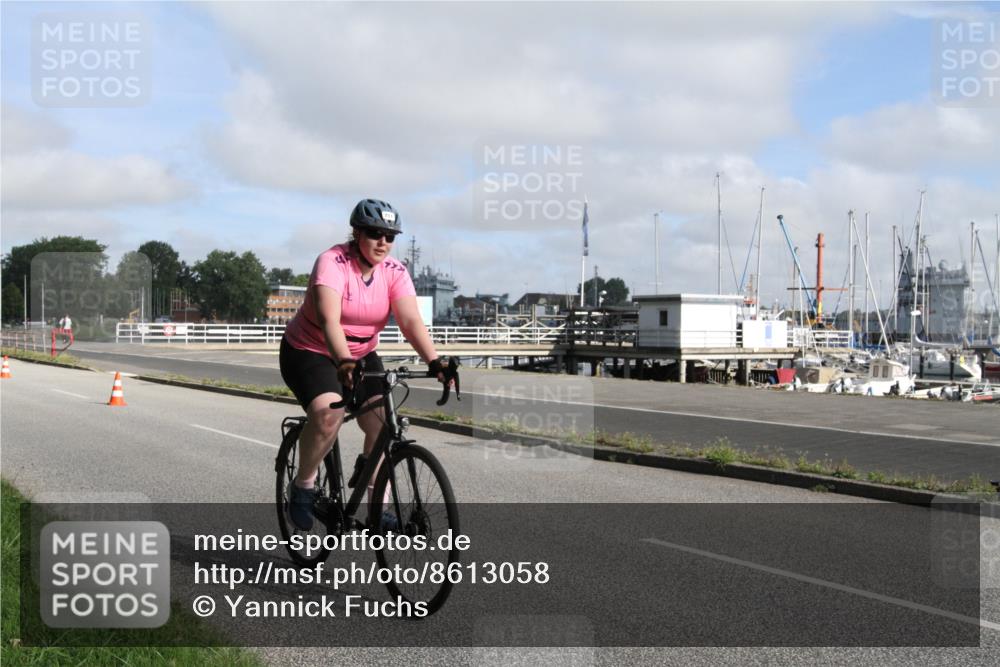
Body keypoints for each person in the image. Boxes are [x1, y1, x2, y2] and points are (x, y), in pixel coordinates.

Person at [279, 198, 447, 531]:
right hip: (311, 349)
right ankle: (304, 485)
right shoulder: (332, 262)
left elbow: (411, 320)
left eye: (390, 236)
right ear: (356, 233)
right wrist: (342, 361)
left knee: (383, 423)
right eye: (374, 233)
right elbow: (329, 320)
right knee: (329, 414)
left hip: (362, 352)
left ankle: (376, 508)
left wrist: (436, 361)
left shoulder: (395, 272)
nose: (383, 242)